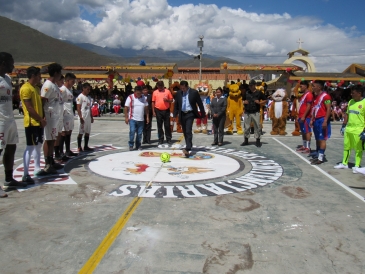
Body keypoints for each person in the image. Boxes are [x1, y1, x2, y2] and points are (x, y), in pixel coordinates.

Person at [0, 52, 25, 197]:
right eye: (11, 63)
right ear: (3, 63)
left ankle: (9, 179)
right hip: (0, 121)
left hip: (10, 119)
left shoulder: (8, 78)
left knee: (12, 147)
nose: (13, 66)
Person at [20, 66, 48, 183]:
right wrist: (40, 119)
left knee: (38, 145)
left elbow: (38, 104)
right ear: (33, 76)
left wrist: (43, 116)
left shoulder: (36, 88)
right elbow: (29, 107)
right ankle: (25, 174)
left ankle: (37, 168)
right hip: (31, 122)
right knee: (30, 147)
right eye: (38, 75)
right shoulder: (26, 88)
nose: (40, 78)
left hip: (39, 122)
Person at [334, 85, 365, 172]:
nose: (351, 94)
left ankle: (357, 166)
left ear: (359, 93)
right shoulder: (351, 101)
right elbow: (347, 114)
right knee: (346, 147)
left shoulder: (364, 103)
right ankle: (344, 163)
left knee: (358, 149)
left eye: (353, 93)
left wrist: (364, 131)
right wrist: (343, 126)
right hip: (349, 129)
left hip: (359, 130)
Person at [41, 63, 64, 174]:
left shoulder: (54, 85)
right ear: (56, 73)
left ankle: (51, 160)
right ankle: (47, 163)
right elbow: (42, 100)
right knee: (48, 139)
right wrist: (42, 116)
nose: (61, 75)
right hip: (49, 115)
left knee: (53, 139)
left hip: (55, 115)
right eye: (60, 73)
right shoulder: (48, 85)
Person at [174, 80, 205, 157]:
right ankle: (189, 144)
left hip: (190, 113)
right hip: (182, 114)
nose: (182, 90)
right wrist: (175, 115)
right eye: (181, 88)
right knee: (184, 131)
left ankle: (188, 147)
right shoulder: (178, 93)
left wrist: (203, 114)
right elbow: (176, 105)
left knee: (188, 130)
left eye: (184, 88)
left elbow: (200, 103)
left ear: (187, 87)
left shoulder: (193, 92)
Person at [309, 80, 332, 165]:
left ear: (319, 87)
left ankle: (320, 158)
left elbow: (329, 108)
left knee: (322, 139)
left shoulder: (326, 96)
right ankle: (318, 154)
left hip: (322, 119)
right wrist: (312, 119)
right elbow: (314, 109)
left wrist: (325, 120)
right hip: (316, 120)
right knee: (317, 138)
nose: (312, 87)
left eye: (314, 86)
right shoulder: (315, 97)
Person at [241, 79, 267, 147]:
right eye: (249, 85)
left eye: (251, 85)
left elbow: (265, 100)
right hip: (247, 112)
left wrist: (260, 103)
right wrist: (244, 102)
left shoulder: (259, 93)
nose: (250, 87)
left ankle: (258, 140)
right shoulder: (246, 92)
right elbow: (242, 100)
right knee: (246, 127)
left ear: (255, 85)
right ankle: (246, 140)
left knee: (257, 126)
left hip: (255, 112)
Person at [124, 86, 149, 151]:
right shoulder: (130, 97)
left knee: (139, 133)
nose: (139, 94)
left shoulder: (144, 98)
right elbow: (126, 107)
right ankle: (131, 145)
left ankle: (138, 145)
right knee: (132, 131)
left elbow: (146, 108)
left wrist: (147, 117)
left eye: (140, 93)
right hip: (132, 118)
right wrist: (126, 117)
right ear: (135, 92)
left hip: (141, 119)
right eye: (137, 93)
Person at [60, 73, 78, 157]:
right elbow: (59, 102)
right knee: (63, 133)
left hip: (70, 113)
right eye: (72, 81)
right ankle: (60, 152)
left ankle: (67, 150)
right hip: (64, 114)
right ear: (67, 80)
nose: (73, 83)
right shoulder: (62, 90)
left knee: (69, 132)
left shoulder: (70, 90)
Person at [152, 81, 174, 145]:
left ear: (163, 85)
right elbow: (153, 102)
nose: (160, 87)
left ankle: (168, 139)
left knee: (167, 125)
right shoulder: (155, 92)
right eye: (158, 86)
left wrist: (167, 100)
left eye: (161, 86)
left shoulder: (167, 91)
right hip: (158, 110)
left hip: (166, 110)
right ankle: (160, 139)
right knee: (159, 126)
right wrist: (153, 111)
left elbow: (172, 100)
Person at [296, 81, 313, 154]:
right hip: (301, 116)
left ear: (306, 86)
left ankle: (308, 147)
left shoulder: (309, 94)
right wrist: (299, 116)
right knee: (303, 132)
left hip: (306, 117)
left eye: (301, 86)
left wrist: (304, 116)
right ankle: (304, 145)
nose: (300, 88)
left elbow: (309, 106)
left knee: (307, 132)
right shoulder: (303, 95)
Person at [76, 82, 94, 152]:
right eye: (87, 89)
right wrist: (80, 117)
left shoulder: (89, 97)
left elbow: (89, 108)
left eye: (89, 89)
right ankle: (79, 146)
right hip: (82, 117)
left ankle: (86, 146)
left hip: (88, 117)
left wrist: (91, 117)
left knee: (87, 132)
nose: (88, 91)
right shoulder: (80, 97)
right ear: (83, 89)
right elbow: (78, 108)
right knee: (81, 132)